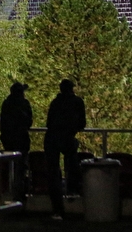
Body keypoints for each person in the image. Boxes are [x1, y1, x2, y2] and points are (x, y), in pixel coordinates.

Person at [44, 79, 86, 220]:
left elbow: (49, 123)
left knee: (53, 172)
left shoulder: (55, 103)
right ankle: (73, 189)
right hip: (67, 138)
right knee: (72, 163)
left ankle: (57, 207)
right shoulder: (77, 102)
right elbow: (82, 123)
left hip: (52, 139)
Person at [0, 82, 32, 200]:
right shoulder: (24, 104)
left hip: (9, 141)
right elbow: (29, 123)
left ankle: (10, 193)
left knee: (10, 167)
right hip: (22, 141)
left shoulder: (6, 104)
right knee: (21, 169)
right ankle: (19, 196)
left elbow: (3, 123)